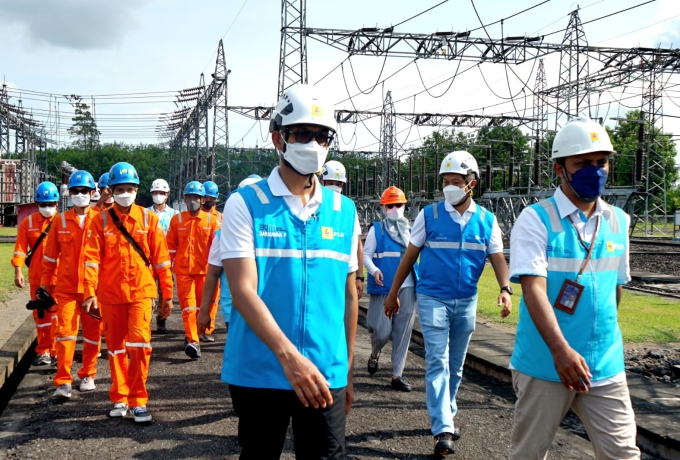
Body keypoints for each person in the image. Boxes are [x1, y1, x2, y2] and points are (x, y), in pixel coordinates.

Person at [220, 84, 359, 459]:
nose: (312, 143)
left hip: (323, 372)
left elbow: (349, 295)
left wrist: (345, 369)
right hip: (262, 370)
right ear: (278, 138)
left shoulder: (344, 211)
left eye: (322, 135)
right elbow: (243, 289)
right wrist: (289, 357)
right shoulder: (245, 205)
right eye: (301, 133)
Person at [508, 116, 640, 459]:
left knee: (623, 454)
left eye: (601, 163)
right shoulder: (536, 219)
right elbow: (533, 289)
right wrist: (561, 351)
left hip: (605, 365)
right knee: (529, 453)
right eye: (582, 163)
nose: (594, 170)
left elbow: (615, 289)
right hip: (546, 363)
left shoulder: (618, 221)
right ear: (559, 169)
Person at [384, 151, 512, 457]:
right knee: (438, 361)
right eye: (445, 181)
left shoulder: (486, 220)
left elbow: (497, 258)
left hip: (466, 301)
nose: (449, 187)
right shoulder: (429, 216)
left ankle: (447, 414)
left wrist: (505, 288)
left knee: (455, 367)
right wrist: (393, 292)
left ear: (471, 184)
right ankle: (442, 427)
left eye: (456, 181)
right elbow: (410, 256)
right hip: (432, 298)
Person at [82, 162, 173, 423]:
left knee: (140, 346)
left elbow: (162, 260)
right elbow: (91, 260)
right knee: (116, 350)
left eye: (130, 188)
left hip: (141, 294)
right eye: (120, 189)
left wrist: (167, 293)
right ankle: (120, 397)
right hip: (110, 296)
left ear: (137, 190)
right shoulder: (100, 221)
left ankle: (138, 400)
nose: (125, 193)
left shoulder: (148, 219)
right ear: (110, 190)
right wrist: (90, 292)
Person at [41, 171, 103, 398]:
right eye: (75, 191)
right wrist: (46, 286)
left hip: (93, 291)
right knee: (65, 334)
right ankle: (63, 381)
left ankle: (89, 374)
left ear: (92, 193)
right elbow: (49, 257)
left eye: (84, 191)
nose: (80, 195)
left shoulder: (101, 219)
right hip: (66, 289)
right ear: (70, 194)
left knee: (92, 335)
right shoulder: (60, 220)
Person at [363, 186, 417, 392]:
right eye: (390, 205)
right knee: (381, 330)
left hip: (408, 286)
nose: (395, 208)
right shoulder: (377, 229)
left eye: (399, 205)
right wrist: (374, 270)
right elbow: (366, 255)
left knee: (403, 332)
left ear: (404, 206)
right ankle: (375, 351)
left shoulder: (411, 231)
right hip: (383, 286)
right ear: (384, 208)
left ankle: (397, 375)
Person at [198, 175, 262, 337]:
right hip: (234, 310)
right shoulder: (222, 235)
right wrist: (204, 311)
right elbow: (212, 274)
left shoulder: (272, 235)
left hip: (267, 308)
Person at [166, 181, 220, 356]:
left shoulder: (212, 221)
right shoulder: (177, 220)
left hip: (206, 273)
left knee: (201, 308)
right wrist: (165, 272)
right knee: (188, 308)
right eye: (188, 197)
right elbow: (169, 249)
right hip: (183, 272)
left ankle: (196, 333)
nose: (192, 201)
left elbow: (218, 249)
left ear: (203, 199)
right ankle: (193, 341)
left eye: (195, 197)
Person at [12, 182, 60, 367]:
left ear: (57, 203)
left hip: (60, 277)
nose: (47, 208)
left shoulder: (63, 222)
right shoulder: (29, 223)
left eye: (50, 204)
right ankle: (44, 351)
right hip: (38, 279)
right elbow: (20, 249)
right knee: (41, 317)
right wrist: (18, 271)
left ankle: (57, 351)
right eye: (43, 204)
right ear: (37, 203)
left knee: (58, 316)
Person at [321, 160, 365, 299]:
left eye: (339, 184)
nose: (335, 187)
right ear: (321, 181)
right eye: (331, 183)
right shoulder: (312, 205)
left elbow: (357, 244)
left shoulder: (348, 208)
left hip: (341, 274)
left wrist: (359, 277)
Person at [147, 178, 179, 335]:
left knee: (164, 291)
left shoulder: (175, 215)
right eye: (156, 193)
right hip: (147, 259)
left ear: (167, 195)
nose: (158, 195)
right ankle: (146, 320)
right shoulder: (145, 213)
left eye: (161, 193)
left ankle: (161, 320)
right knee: (147, 290)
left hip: (166, 259)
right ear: (151, 194)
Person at [200, 179, 222, 340]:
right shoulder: (196, 216)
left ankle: (208, 329)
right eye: (206, 198)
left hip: (215, 264)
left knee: (214, 299)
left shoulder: (220, 217)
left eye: (211, 198)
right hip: (198, 264)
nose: (209, 201)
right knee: (199, 299)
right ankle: (196, 328)